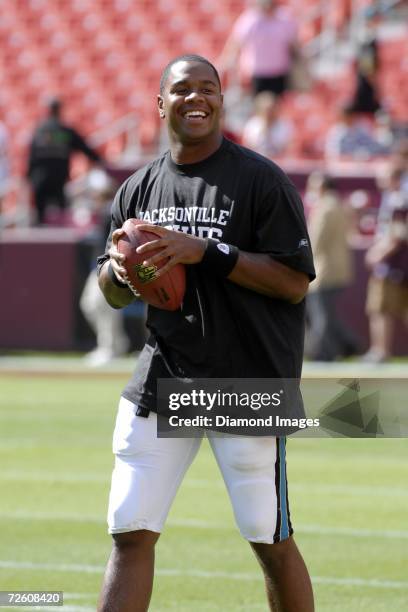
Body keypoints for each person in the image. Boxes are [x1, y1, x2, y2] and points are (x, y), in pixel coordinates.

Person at [96, 54, 315, 612]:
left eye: (207, 89)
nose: (196, 98)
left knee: (268, 538)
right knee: (130, 528)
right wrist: (119, 273)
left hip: (244, 378)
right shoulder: (139, 189)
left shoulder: (260, 179)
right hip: (165, 374)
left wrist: (207, 252)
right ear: (159, 102)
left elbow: (293, 282)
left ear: (221, 99)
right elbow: (113, 290)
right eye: (182, 89)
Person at [305, 173, 358, 361]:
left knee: (321, 314)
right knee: (327, 314)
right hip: (336, 267)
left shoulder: (325, 208)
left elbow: (315, 241)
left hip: (323, 269)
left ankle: (325, 353)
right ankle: (351, 346)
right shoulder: (339, 205)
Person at [26, 97, 102, 225]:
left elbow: (32, 156)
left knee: (40, 217)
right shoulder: (64, 131)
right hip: (59, 177)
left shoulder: (39, 131)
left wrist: (29, 175)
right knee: (61, 213)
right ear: (59, 110)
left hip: (40, 178)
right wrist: (99, 160)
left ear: (48, 110)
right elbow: (84, 147)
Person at [218, 0, 299, 97]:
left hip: (279, 70)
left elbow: (293, 43)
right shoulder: (250, 19)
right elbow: (236, 42)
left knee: (277, 102)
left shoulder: (284, 17)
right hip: (257, 72)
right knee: (259, 102)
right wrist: (228, 60)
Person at [241, 91, 293, 158]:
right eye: (266, 110)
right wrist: (264, 128)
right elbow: (250, 146)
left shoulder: (285, 124)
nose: (269, 113)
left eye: (271, 109)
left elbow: (287, 148)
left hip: (279, 160)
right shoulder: (253, 124)